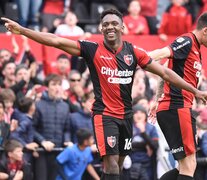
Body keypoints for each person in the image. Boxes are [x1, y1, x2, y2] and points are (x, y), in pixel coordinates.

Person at [2, 9, 207, 179]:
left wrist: (195, 90)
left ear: (122, 28)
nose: (110, 26)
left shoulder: (133, 53)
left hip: (126, 116)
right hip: (104, 115)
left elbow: (165, 72)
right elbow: (55, 41)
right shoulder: (92, 49)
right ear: (101, 28)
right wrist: (23, 31)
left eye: (114, 23)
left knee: (118, 164)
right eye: (106, 24)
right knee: (111, 164)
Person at [148, 12, 207, 180]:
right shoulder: (187, 41)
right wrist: (132, 60)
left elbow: (165, 69)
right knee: (189, 166)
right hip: (177, 107)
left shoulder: (196, 48)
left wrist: (157, 98)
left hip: (174, 108)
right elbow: (161, 53)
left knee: (186, 166)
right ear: (205, 31)